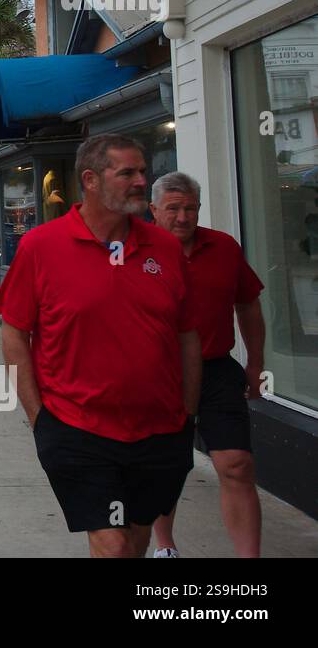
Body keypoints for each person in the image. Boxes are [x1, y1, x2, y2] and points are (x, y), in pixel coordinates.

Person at [0, 134, 200, 558]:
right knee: (112, 541)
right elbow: (15, 333)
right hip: (77, 428)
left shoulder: (164, 247)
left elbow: (186, 334)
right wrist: (39, 418)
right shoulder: (41, 247)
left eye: (143, 171)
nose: (141, 181)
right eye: (126, 172)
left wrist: (188, 412)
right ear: (90, 179)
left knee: (137, 537)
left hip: (160, 430)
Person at [149, 172, 265, 559]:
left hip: (216, 370)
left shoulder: (224, 247)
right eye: (174, 208)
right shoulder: (133, 252)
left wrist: (256, 365)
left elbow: (248, 304)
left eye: (191, 208)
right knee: (167, 466)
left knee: (237, 464)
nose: (183, 217)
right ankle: (165, 546)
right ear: (153, 211)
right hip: (161, 374)